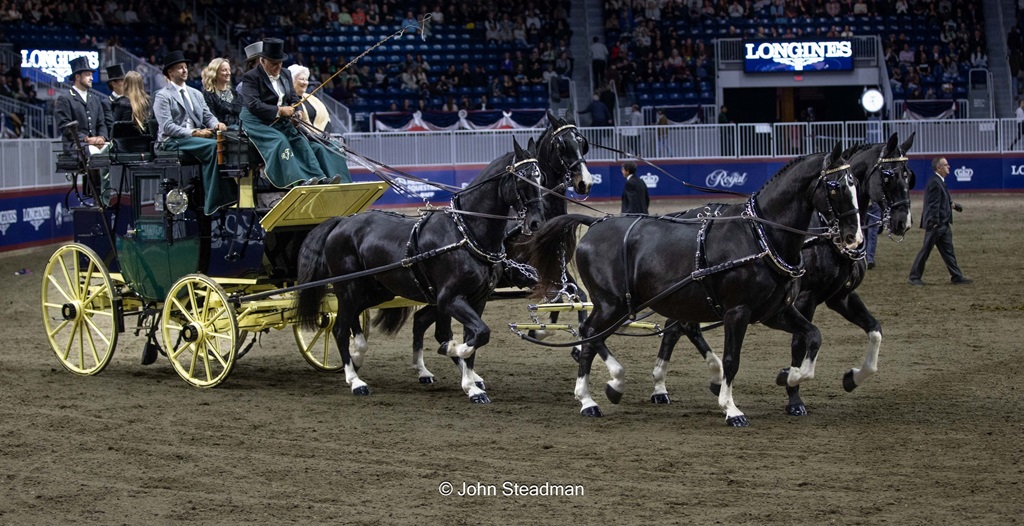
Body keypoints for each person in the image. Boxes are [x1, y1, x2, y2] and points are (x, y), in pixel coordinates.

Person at [239, 38, 349, 188]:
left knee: (299, 140)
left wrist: (297, 112)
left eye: (280, 63)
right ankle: (296, 180)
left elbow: (293, 98)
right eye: (273, 63)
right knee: (280, 141)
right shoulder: (251, 77)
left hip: (280, 120)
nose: (278, 67)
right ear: (262, 61)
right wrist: (280, 111)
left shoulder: (285, 74)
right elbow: (253, 105)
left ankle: (319, 177)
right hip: (256, 122)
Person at [153, 50, 235, 215]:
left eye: (185, 67)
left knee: (230, 140)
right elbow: (168, 126)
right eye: (180, 68)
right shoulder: (162, 96)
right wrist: (194, 133)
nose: (185, 70)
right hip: (171, 141)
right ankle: (214, 200)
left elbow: (207, 116)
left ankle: (228, 194)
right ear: (170, 72)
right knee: (214, 147)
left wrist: (217, 124)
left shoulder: (195, 93)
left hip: (195, 137)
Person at [908, 157, 972, 285]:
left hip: (943, 224)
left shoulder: (938, 182)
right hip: (937, 225)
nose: (949, 167)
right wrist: (935, 222)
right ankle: (914, 277)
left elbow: (943, 201)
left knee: (948, 252)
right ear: (939, 168)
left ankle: (956, 276)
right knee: (926, 251)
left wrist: (956, 206)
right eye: (946, 165)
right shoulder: (935, 183)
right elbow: (933, 205)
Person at [54, 56, 109, 156]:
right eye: (88, 75)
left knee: (112, 149)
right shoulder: (65, 98)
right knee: (93, 152)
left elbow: (101, 123)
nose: (91, 78)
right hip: (75, 144)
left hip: (95, 143)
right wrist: (86, 139)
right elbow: (65, 126)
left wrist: (101, 137)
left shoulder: (95, 99)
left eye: (91, 75)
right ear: (77, 77)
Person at [287, 64, 330, 133]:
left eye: (306, 80)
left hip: (320, 136)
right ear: (292, 81)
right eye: (302, 79)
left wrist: (325, 134)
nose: (305, 83)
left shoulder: (312, 99)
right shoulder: (287, 99)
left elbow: (325, 118)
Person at [202, 57, 241, 128]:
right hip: (220, 131)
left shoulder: (235, 94)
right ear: (215, 73)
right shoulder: (208, 94)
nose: (228, 73)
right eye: (224, 70)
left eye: (229, 70)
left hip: (239, 130)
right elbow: (209, 119)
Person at [104, 63, 130, 129]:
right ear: (114, 84)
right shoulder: (107, 102)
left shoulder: (130, 100)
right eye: (122, 81)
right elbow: (111, 124)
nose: (126, 84)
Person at [864, 202, 881, 269]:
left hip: (864, 205)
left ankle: (866, 258)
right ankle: (869, 259)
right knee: (871, 235)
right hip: (873, 206)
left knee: (865, 234)